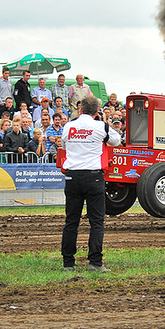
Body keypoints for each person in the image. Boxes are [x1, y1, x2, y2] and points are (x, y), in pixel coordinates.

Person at [60, 95, 120, 272]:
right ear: (97, 111)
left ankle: (68, 263)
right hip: (93, 176)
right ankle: (95, 262)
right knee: (96, 222)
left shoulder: (69, 126)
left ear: (80, 109)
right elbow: (116, 141)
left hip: (72, 176)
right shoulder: (101, 126)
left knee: (71, 221)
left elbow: (63, 144)